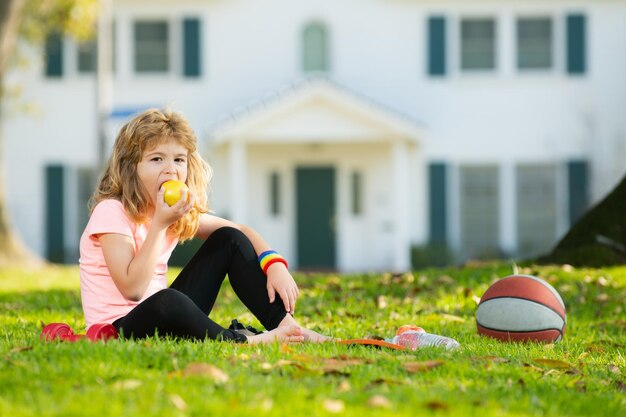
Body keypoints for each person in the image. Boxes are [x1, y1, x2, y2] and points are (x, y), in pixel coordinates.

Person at [79, 108, 330, 344]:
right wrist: (159, 226)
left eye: (179, 160)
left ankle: (289, 328)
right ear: (131, 168)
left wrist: (274, 263)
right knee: (167, 299)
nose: (171, 170)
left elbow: (240, 233)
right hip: (120, 329)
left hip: (168, 321)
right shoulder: (111, 211)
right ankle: (245, 341)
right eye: (156, 159)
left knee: (228, 239)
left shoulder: (172, 212)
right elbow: (132, 290)